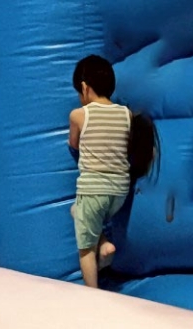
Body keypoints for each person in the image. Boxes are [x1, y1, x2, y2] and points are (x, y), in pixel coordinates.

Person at [67, 55, 156, 288]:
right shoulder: (126, 114)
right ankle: (105, 243)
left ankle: (92, 294)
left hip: (93, 190)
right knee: (77, 211)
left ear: (84, 88)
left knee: (85, 249)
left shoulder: (79, 115)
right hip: (119, 191)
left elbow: (74, 144)